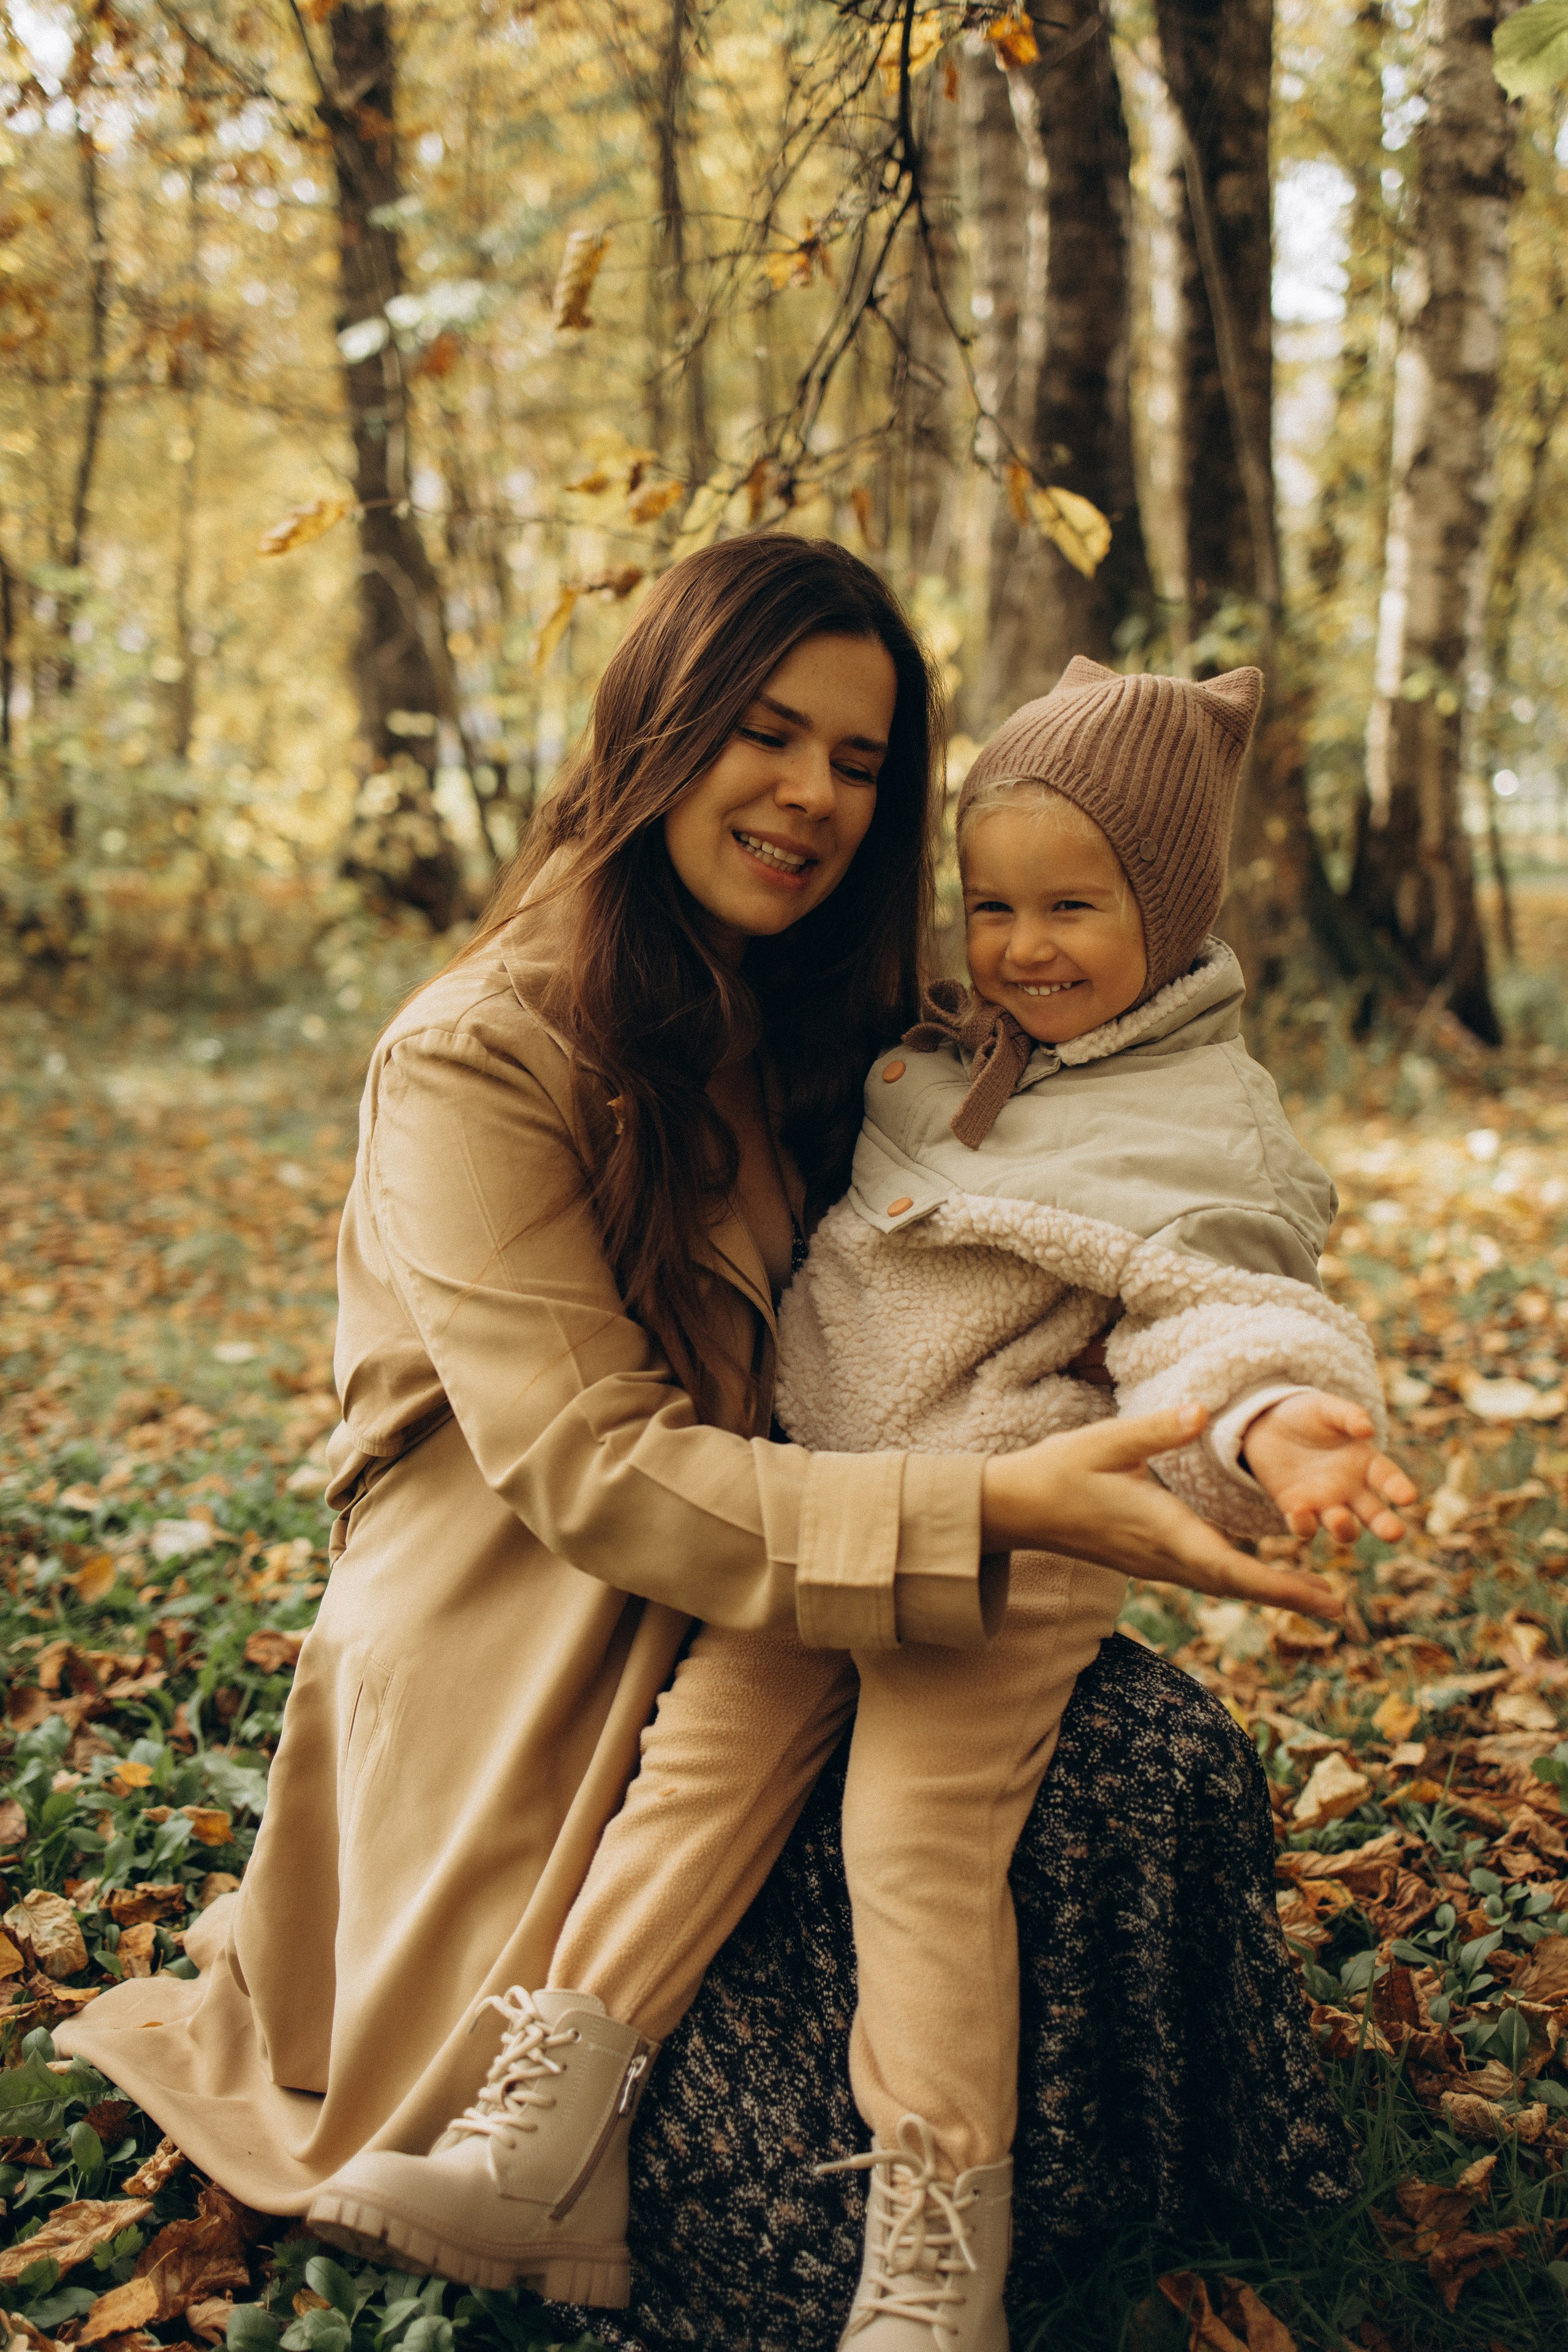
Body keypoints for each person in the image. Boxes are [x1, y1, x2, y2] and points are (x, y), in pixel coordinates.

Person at [60, 543, 1346, 2329]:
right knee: (761, 2194)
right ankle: (580, 2153)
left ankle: (1037, 2209)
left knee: (1140, 1767)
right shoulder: (478, 1058)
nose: (812, 795)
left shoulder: (862, 1029)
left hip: (803, 1575)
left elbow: (1125, 1237)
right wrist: (974, 1511)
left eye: (863, 760)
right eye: (763, 733)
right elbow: (592, 1466)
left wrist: (1246, 1410)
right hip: (545, 1645)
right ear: (658, 726)